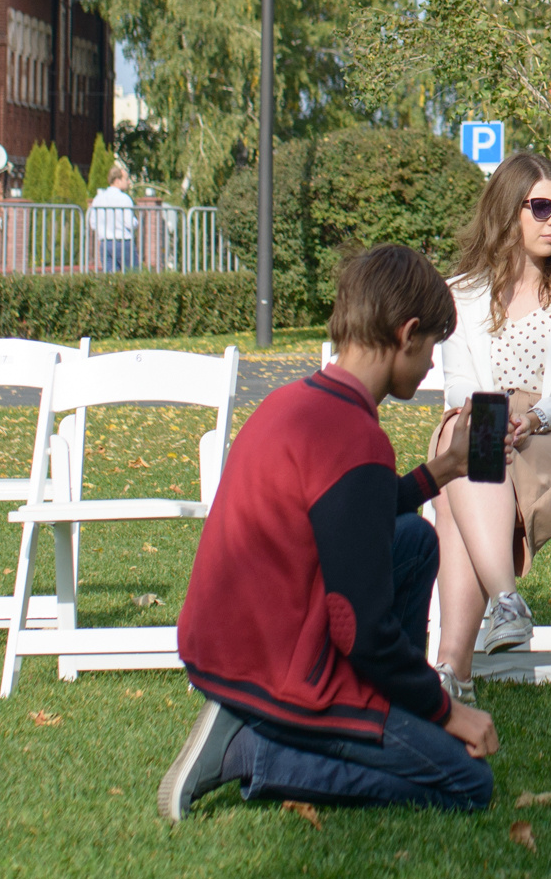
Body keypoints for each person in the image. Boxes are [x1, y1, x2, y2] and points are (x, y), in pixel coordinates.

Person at [161, 245, 502, 820]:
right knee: (468, 783)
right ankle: (253, 751)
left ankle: (354, 714)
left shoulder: (293, 404)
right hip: (274, 672)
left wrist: (440, 472)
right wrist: (445, 709)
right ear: (407, 333)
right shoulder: (355, 439)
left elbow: (353, 513)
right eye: (432, 350)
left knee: (415, 543)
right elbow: (360, 628)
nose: (429, 369)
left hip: (226, 645)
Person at [427, 152, 551, 706]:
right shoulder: (460, 293)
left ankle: (455, 664)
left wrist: (532, 417)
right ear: (507, 211)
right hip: (487, 420)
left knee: (454, 476)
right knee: (464, 443)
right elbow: (459, 387)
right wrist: (496, 418)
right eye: (541, 207)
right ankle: (486, 630)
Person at [87, 164, 137, 272]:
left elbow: (93, 223)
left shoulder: (98, 199)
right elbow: (129, 223)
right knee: (133, 277)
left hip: (105, 243)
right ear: (117, 180)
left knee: (111, 280)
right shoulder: (124, 198)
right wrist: (136, 222)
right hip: (123, 242)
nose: (128, 182)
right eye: (126, 179)